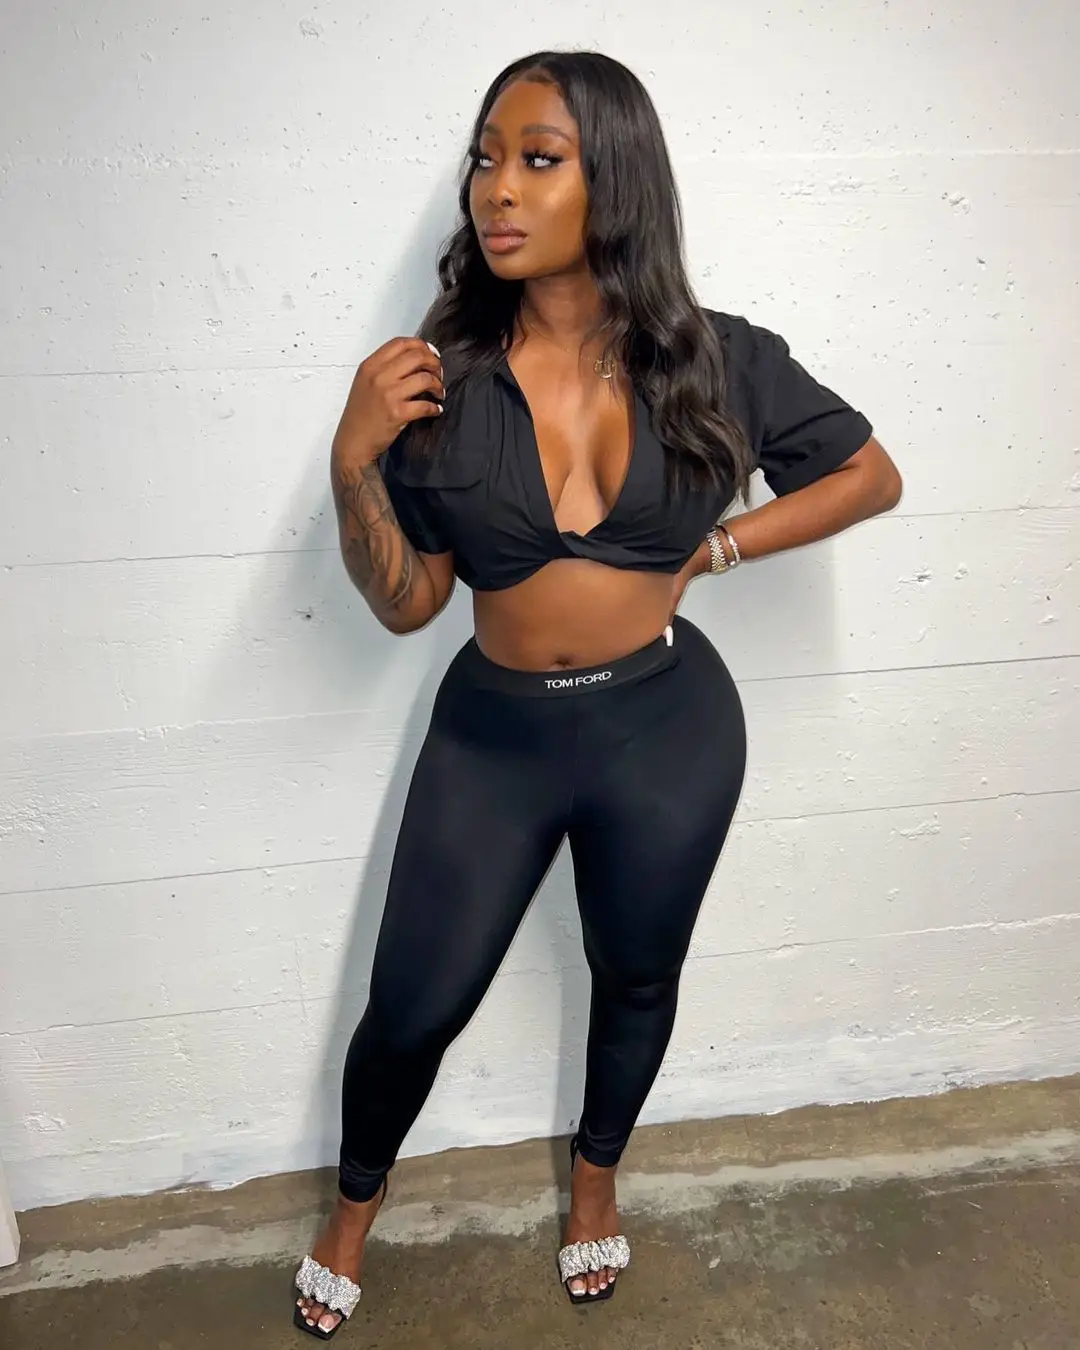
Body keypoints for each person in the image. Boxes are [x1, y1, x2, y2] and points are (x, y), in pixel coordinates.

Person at [293, 49, 902, 1338]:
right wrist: (353, 458)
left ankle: (595, 1184)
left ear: (613, 178)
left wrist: (718, 547)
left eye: (537, 159)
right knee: (414, 1002)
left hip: (666, 727)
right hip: (495, 737)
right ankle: (350, 1209)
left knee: (635, 974)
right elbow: (407, 603)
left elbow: (870, 474)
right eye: (485, 159)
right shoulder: (437, 379)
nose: (496, 190)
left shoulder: (717, 359)